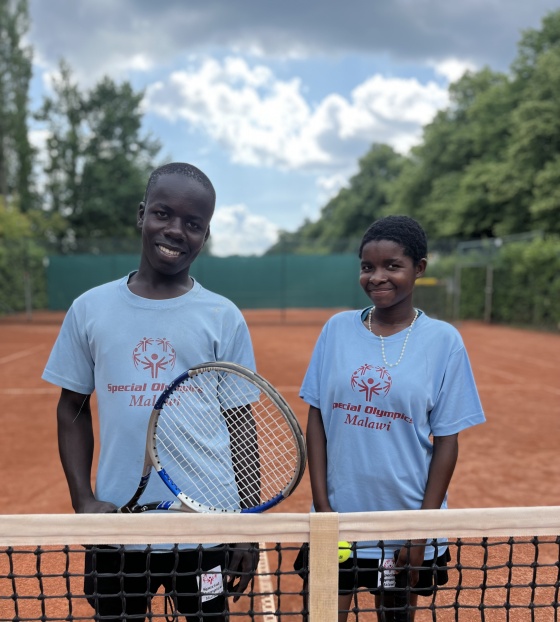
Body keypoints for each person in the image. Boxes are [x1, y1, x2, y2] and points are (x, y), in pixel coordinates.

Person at [42, 162, 259, 622]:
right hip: (118, 527)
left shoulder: (223, 316)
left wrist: (246, 526)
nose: (176, 230)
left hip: (206, 525)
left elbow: (242, 424)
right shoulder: (90, 308)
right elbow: (72, 408)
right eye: (163, 214)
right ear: (142, 215)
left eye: (193, 224)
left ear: (206, 234)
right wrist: (83, 497)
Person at [297, 215, 485, 622]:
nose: (377, 277)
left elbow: (447, 442)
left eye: (392, 266)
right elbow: (317, 417)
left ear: (419, 268)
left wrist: (420, 530)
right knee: (323, 616)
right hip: (337, 522)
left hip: (403, 523)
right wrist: (324, 508)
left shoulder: (444, 342)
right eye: (368, 267)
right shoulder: (335, 330)